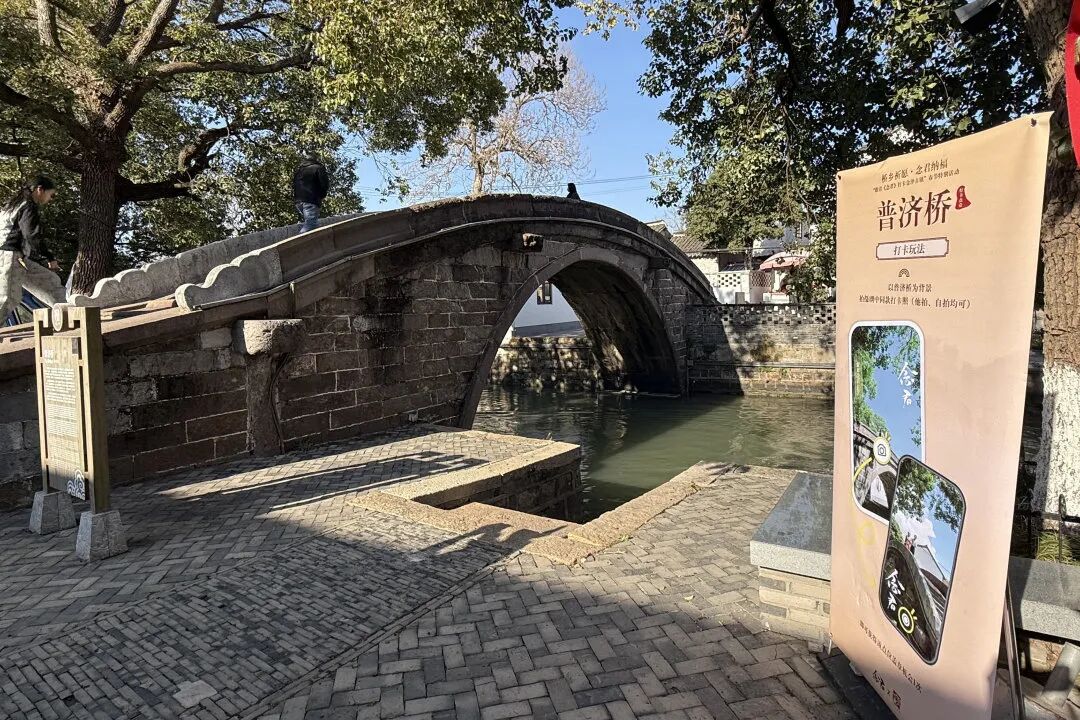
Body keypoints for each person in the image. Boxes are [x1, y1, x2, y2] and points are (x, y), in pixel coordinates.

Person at [0, 175, 66, 325]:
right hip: (9, 257)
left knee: (49, 281)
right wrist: (49, 257)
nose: (50, 199)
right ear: (40, 190)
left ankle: (70, 313)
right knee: (8, 298)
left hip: (18, 257)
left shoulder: (13, 204)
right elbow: (31, 235)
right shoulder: (28, 206)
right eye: (51, 195)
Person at [293, 157, 330, 233]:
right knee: (311, 224)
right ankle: (301, 239)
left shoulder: (299, 170)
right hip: (310, 200)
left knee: (313, 224)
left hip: (298, 201)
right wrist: (321, 196)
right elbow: (325, 184)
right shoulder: (318, 167)